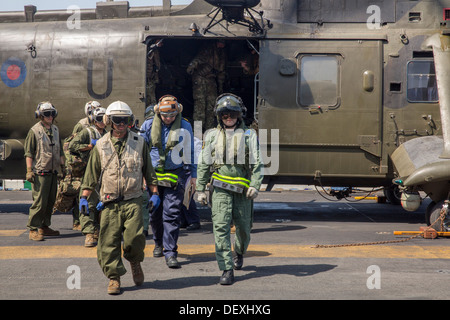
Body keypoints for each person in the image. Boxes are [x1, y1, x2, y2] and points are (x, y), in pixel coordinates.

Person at [79, 101, 159, 295]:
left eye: (124, 120)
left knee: (135, 240)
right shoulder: (101, 145)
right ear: (109, 121)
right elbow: (91, 174)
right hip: (109, 202)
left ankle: (134, 262)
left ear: (129, 121)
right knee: (108, 243)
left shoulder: (139, 142)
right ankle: (114, 278)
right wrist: (84, 198)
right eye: (117, 120)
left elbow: (148, 171)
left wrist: (155, 193)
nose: (121, 124)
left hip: (133, 200)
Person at [196, 93, 264, 285]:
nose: (229, 119)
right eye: (225, 115)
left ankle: (239, 252)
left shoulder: (250, 135)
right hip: (219, 191)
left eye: (232, 115)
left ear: (239, 115)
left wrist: (255, 185)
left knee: (244, 229)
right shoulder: (211, 135)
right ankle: (226, 268)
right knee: (221, 228)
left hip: (242, 192)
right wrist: (200, 188)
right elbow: (203, 163)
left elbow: (258, 164)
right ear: (220, 117)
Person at [139, 95, 197, 268]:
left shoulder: (185, 126)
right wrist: (142, 175)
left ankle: (170, 252)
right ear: (158, 112)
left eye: (172, 115)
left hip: (175, 175)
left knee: (171, 214)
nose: (168, 119)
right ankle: (158, 243)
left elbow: (190, 151)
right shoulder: (148, 125)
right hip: (153, 177)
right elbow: (141, 152)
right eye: (165, 116)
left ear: (177, 112)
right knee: (155, 213)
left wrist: (193, 175)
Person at [25, 101, 65, 241]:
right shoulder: (34, 131)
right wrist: (29, 170)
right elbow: (29, 153)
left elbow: (60, 151)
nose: (50, 116)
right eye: (47, 114)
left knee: (50, 202)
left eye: (52, 114)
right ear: (40, 115)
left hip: (53, 172)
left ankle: (44, 226)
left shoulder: (55, 129)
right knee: (39, 202)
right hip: (40, 173)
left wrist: (63, 168)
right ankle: (33, 229)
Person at [69, 107, 107, 247]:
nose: (101, 122)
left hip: (105, 174)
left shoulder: (108, 134)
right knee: (88, 203)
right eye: (98, 119)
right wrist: (89, 146)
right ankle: (89, 234)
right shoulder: (88, 132)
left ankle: (98, 230)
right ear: (93, 120)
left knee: (103, 204)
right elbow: (72, 145)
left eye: (103, 119)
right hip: (90, 172)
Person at [187, 40, 226, 131]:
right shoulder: (208, 49)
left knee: (212, 106)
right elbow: (198, 59)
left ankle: (210, 130)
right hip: (200, 78)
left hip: (211, 80)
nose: (222, 44)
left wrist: (220, 86)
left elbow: (221, 71)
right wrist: (191, 66)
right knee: (200, 106)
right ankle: (197, 132)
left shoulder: (221, 54)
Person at [146, 39, 163, 106]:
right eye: (161, 42)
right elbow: (149, 59)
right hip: (149, 78)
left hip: (152, 77)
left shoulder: (155, 50)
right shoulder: (151, 50)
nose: (162, 44)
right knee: (150, 97)